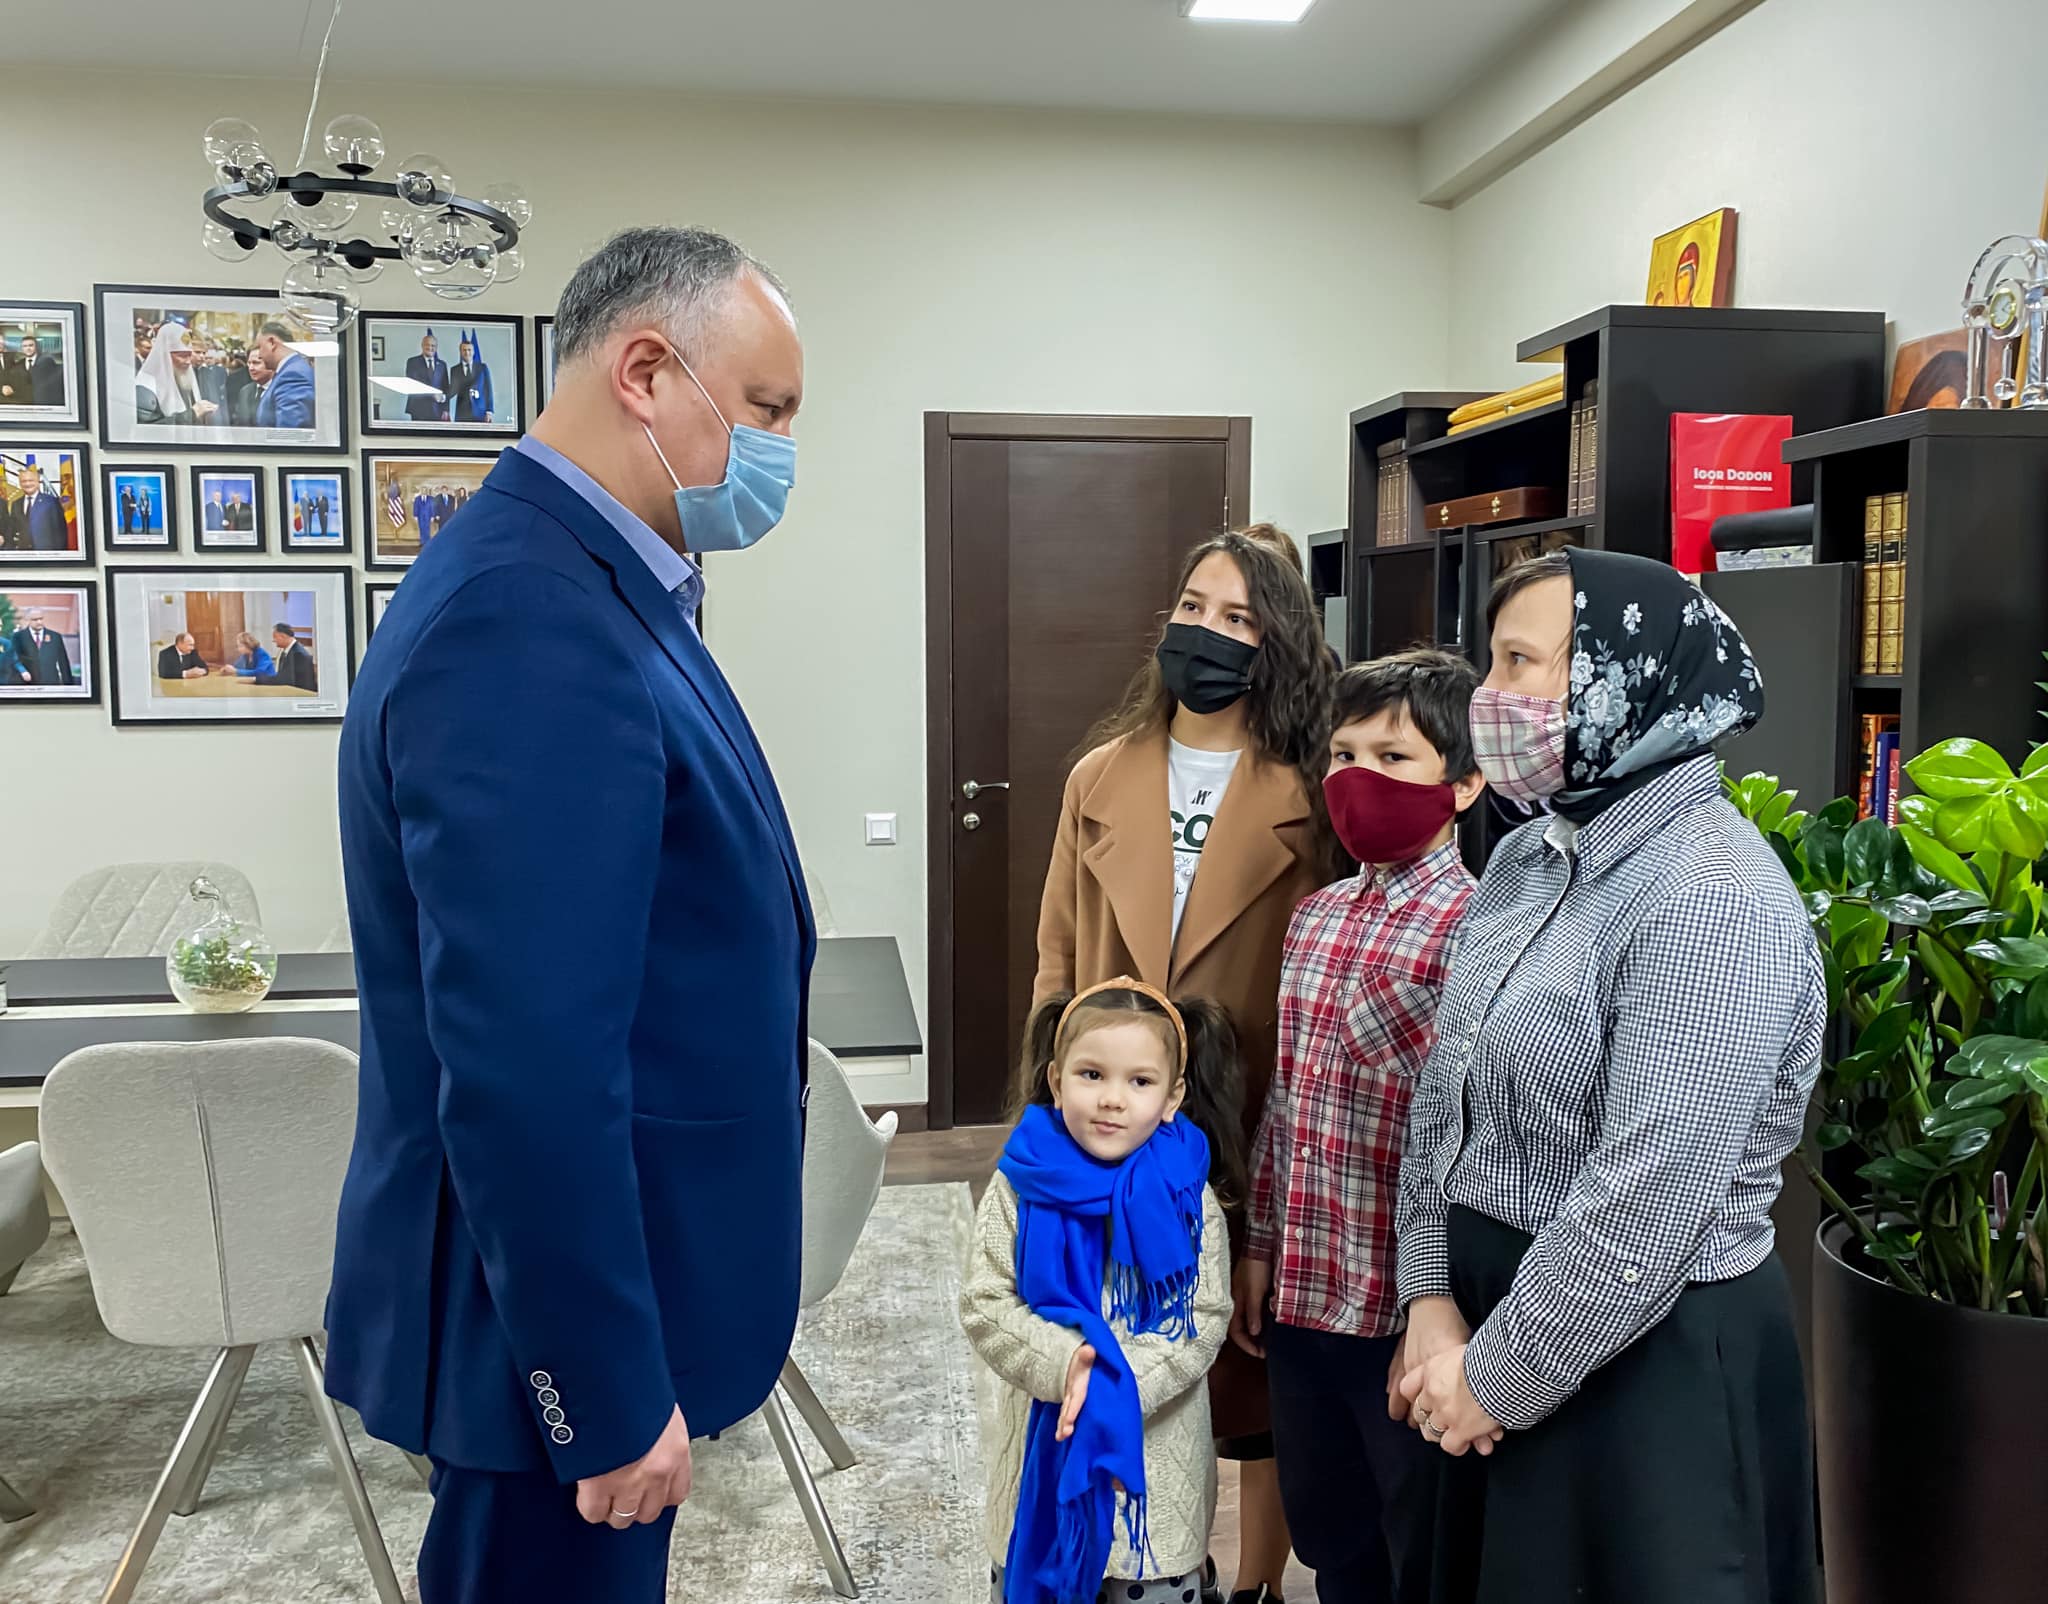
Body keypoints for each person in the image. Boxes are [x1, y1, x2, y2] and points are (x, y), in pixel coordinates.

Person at [326, 224, 806, 1604]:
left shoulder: (599, 580)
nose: (780, 451)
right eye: (767, 409)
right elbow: (525, 1058)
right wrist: (596, 1387)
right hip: (545, 1328)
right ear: (644, 372)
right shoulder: (525, 614)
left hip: (612, 1277)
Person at [1393, 550, 1820, 1604]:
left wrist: (1495, 1377)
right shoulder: (1526, 856)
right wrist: (1430, 1294)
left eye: (1519, 663)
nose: (1489, 697)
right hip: (1482, 1327)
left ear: (1626, 679)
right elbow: (1443, 1091)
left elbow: (1649, 1197)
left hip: (1645, 1360)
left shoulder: (1712, 895)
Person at [1035, 526, 1337, 1604]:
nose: (1206, 631)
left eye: (1238, 617)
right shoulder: (1097, 777)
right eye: (1193, 606)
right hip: (1109, 1119)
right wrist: (1046, 1123)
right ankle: (1134, 1563)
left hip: (1245, 1120)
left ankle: (1256, 1584)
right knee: (1112, 1353)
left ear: (1275, 643)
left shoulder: (1312, 791)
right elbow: (1055, 959)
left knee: (1251, 1376)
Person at [1234, 651, 1485, 1604]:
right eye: (1344, 755)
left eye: (1394, 756)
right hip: (1305, 1295)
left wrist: (1441, 1307)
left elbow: (1471, 1137)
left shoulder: (1479, 930)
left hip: (1401, 1311)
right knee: (1329, 1533)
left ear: (1465, 784)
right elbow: (1287, 1104)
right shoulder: (1314, 917)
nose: (1359, 777)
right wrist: (1260, 1246)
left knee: (1414, 1543)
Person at [962, 979, 1241, 1604]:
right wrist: (1068, 1365)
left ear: (1172, 1098)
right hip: (1041, 1450)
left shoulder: (1187, 1198)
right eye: (1092, 1075)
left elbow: (1202, 1317)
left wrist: (1111, 1387)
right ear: (1057, 1082)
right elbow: (985, 1304)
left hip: (1152, 1481)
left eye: (1139, 1082)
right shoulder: (1018, 1185)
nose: (1112, 1099)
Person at [134, 322, 220, 427]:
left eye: (189, 355)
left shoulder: (183, 378)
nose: (188, 361)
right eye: (182, 356)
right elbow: (146, 430)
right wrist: (192, 414)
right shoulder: (145, 387)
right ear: (164, 355)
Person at [252, 320, 317, 431]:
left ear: (272, 342)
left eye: (260, 347)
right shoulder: (290, 370)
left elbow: (290, 434)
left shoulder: (293, 375)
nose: (260, 355)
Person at [15, 464, 70, 552]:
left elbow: (60, 532)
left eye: (31, 480)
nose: (27, 484)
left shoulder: (51, 502)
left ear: (38, 481)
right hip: (24, 554)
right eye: (24, 481)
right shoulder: (16, 504)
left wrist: (60, 556)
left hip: (46, 554)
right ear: (20, 483)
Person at [13, 608, 74, 686]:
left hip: (50, 683)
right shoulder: (18, 637)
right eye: (35, 620)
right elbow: (14, 659)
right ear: (27, 620)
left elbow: (63, 662)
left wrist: (69, 685)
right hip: (28, 684)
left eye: (41, 619)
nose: (39, 622)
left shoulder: (55, 637)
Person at [405, 331, 451, 423]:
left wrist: (446, 409)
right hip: (418, 409)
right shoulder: (412, 362)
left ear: (436, 348)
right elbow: (413, 385)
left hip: (438, 410)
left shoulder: (442, 364)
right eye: (427, 345)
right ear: (422, 346)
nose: (430, 348)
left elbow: (446, 388)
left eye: (433, 346)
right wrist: (432, 395)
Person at [449, 331, 495, 424]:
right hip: (462, 414)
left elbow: (488, 390)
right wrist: (442, 396)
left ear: (473, 352)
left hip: (481, 413)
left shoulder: (482, 368)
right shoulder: (454, 369)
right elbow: (452, 390)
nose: (467, 352)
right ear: (460, 352)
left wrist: (489, 411)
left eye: (469, 350)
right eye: (464, 350)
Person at [256, 623, 317, 690]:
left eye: (275, 637)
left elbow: (284, 680)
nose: (273, 640)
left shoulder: (298, 654)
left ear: (283, 636)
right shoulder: (287, 651)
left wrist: (256, 680)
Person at [234, 344, 274, 427]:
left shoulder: (283, 392)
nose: (251, 368)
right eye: (249, 363)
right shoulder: (245, 391)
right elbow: (238, 424)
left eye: (256, 363)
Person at [21, 334, 64, 408]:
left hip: (45, 404)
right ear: (22, 348)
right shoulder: (18, 365)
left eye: (31, 345)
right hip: (26, 406)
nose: (28, 348)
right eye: (25, 346)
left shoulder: (47, 361)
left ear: (36, 347)